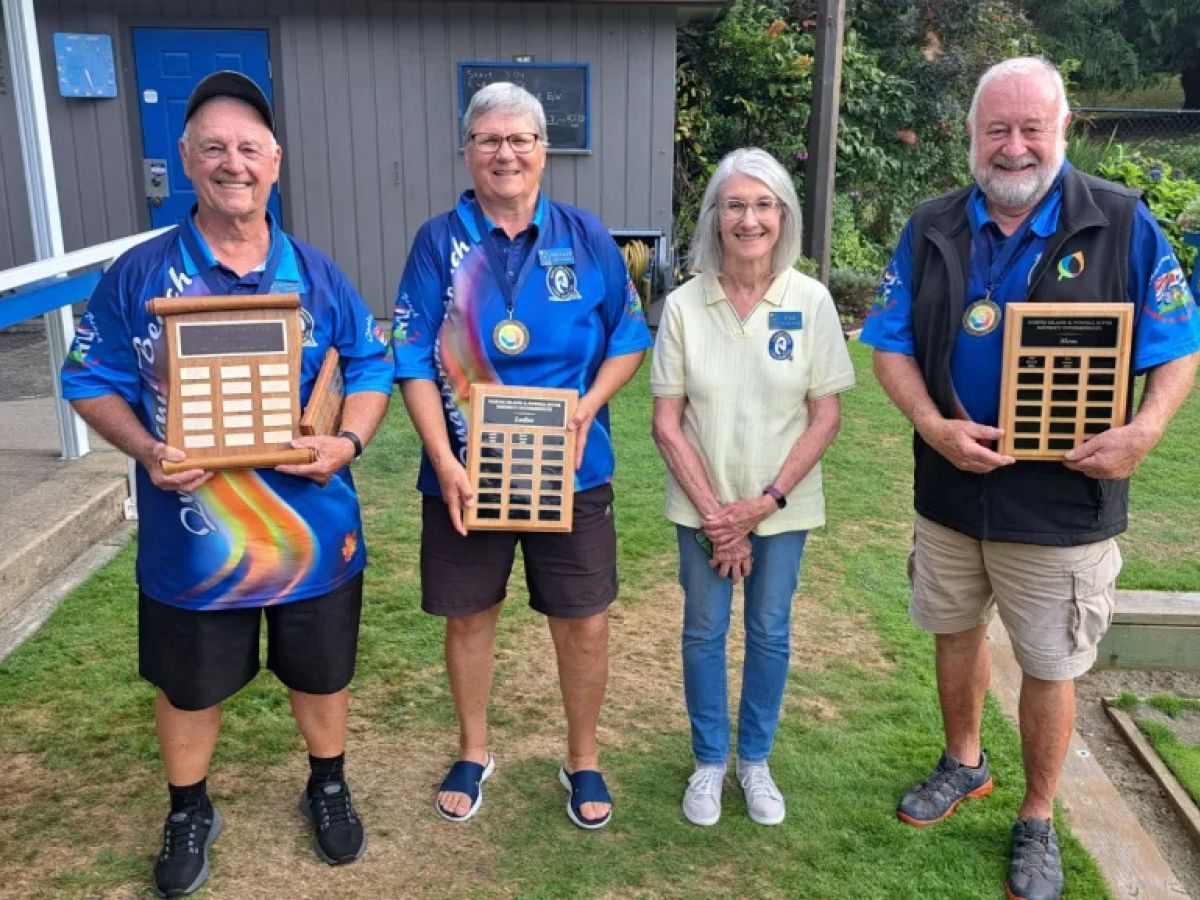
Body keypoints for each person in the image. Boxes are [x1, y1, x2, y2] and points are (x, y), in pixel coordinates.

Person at [860, 57, 1200, 900]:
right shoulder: (931, 224)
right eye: (996, 130)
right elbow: (891, 344)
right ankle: (964, 760)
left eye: (1030, 129)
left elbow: (1178, 342)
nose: (1013, 147)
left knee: (1050, 663)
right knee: (953, 631)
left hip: (1061, 503)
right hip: (952, 487)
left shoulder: (1122, 222)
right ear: (971, 135)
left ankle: (1039, 814)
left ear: (1063, 130)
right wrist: (933, 426)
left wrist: (1145, 432)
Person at [60, 71, 392, 897]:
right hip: (194, 541)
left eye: (248, 148)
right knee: (189, 686)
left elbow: (371, 362)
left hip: (313, 536)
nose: (232, 163)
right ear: (185, 159)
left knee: (322, 674)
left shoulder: (316, 273)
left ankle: (327, 784)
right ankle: (188, 808)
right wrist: (147, 448)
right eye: (213, 147)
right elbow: (87, 376)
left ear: (275, 162)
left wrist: (347, 440)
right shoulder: (139, 274)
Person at [391, 82, 651, 830]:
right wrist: (443, 460)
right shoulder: (438, 242)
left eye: (520, 139)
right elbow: (410, 355)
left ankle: (583, 757)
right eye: (489, 139)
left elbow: (629, 336)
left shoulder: (586, 236)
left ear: (543, 150)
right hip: (465, 472)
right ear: (467, 151)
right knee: (470, 615)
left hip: (572, 468)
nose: (505, 153)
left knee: (584, 620)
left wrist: (588, 405)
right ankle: (474, 750)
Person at [650, 148, 855, 827]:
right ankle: (710, 761)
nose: (750, 219)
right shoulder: (684, 305)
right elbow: (666, 423)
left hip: (782, 508)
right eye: (735, 205)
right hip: (702, 509)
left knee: (769, 631)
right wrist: (718, 517)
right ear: (715, 217)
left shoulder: (810, 300)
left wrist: (762, 505)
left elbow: (825, 416)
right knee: (704, 631)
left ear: (783, 216)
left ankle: (755, 761)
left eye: (764, 205)